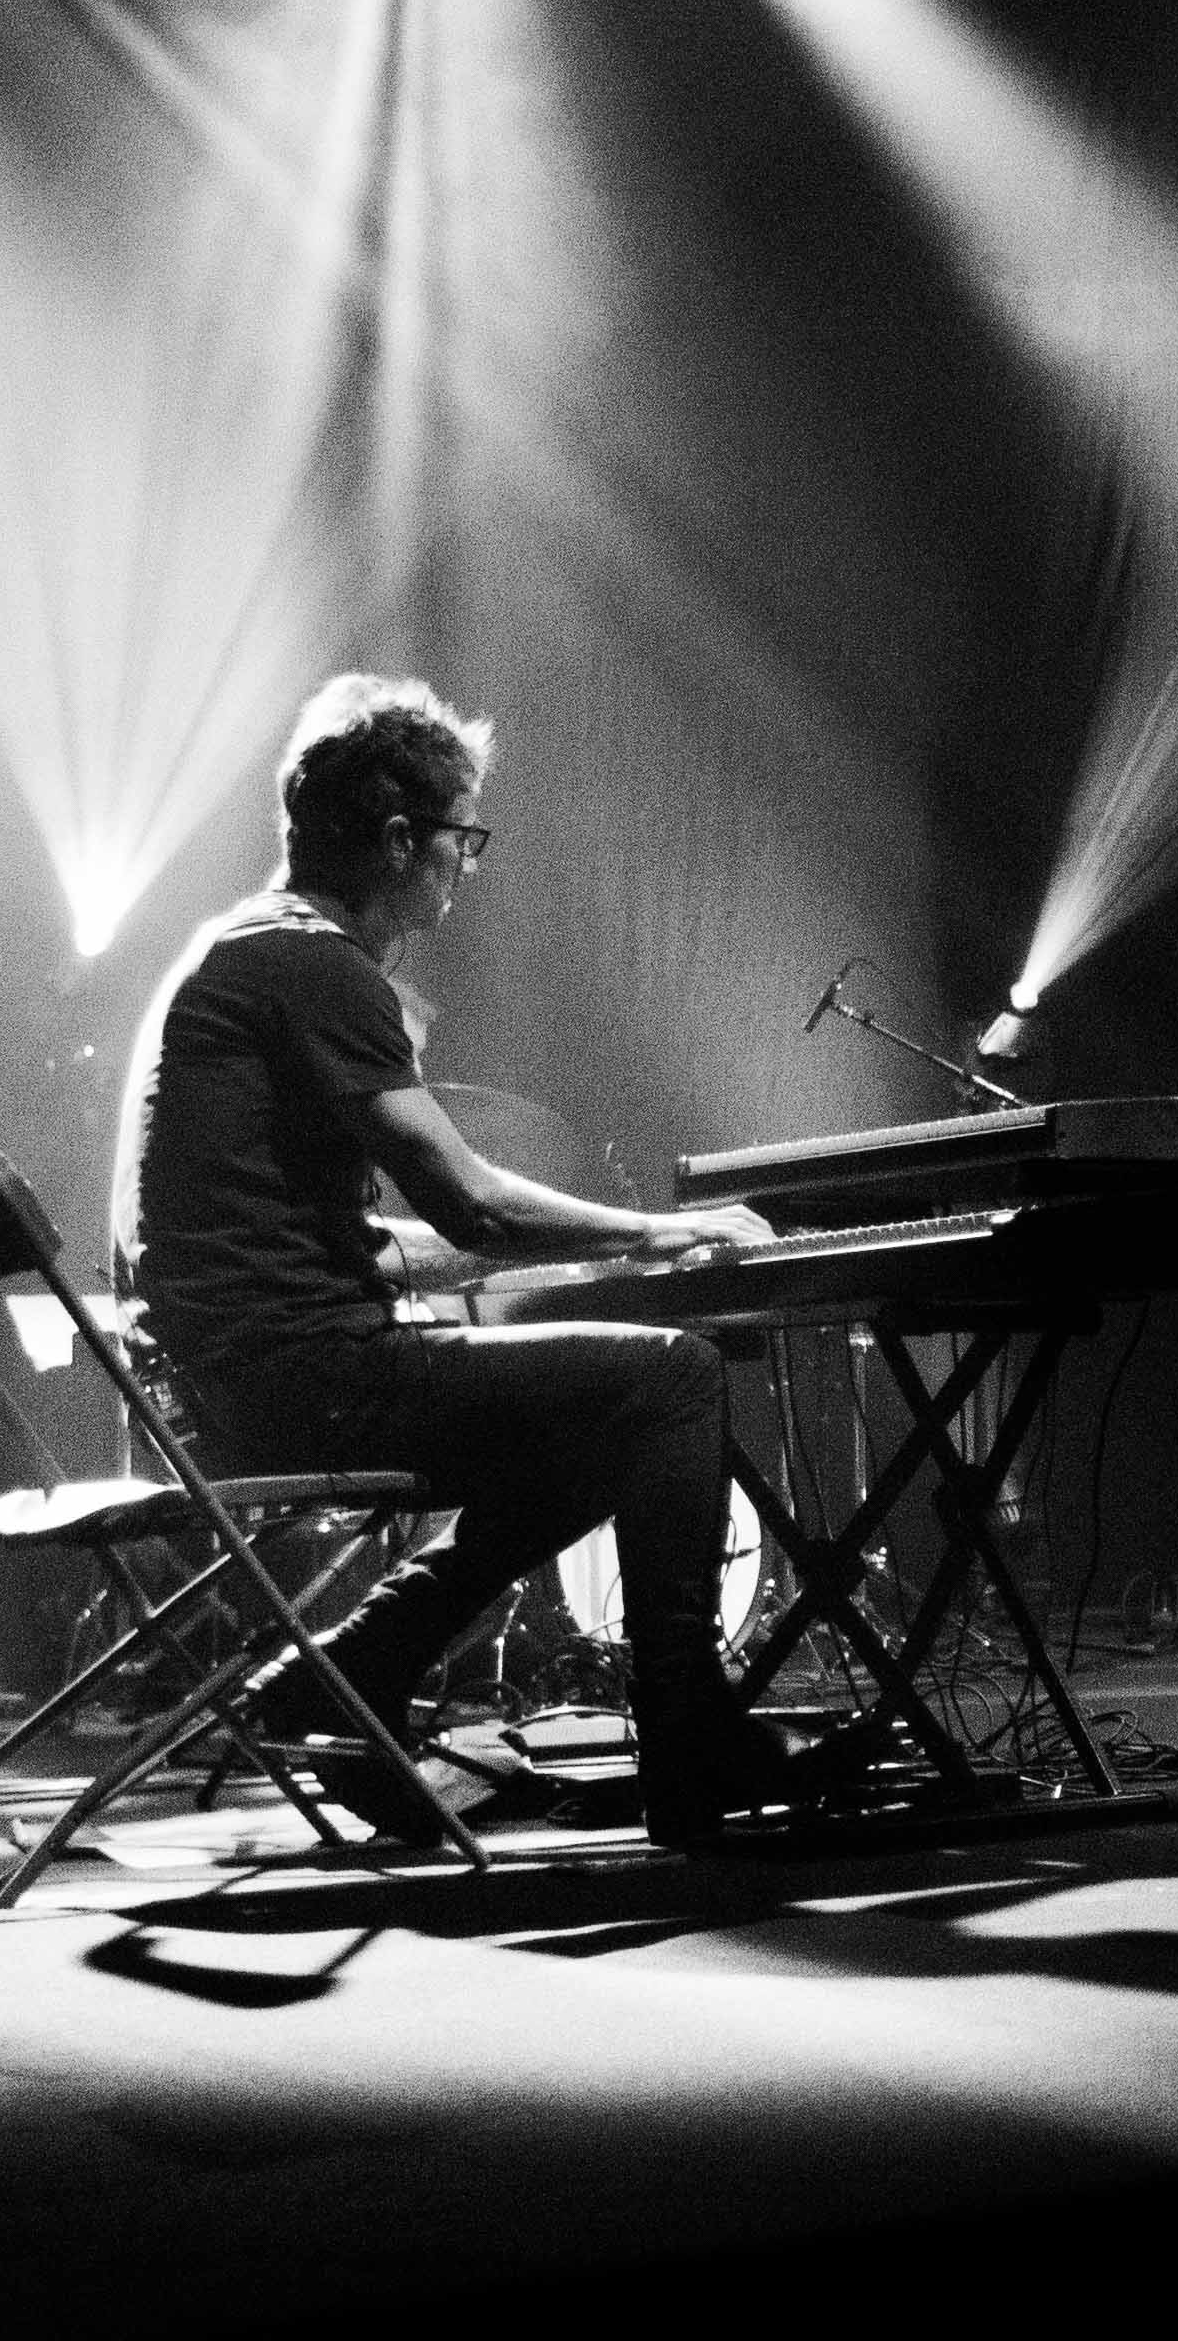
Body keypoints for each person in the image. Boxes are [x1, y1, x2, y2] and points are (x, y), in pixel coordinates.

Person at [125, 673, 787, 1846]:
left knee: (605, 1412)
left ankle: (352, 1669)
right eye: (461, 837)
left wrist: (569, 1268)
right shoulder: (315, 964)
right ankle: (687, 1735)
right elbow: (473, 1203)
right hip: (305, 1383)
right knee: (676, 1376)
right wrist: (656, 1231)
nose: (466, 865)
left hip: (234, 1383)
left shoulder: (239, 951)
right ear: (397, 838)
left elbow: (360, 1239)